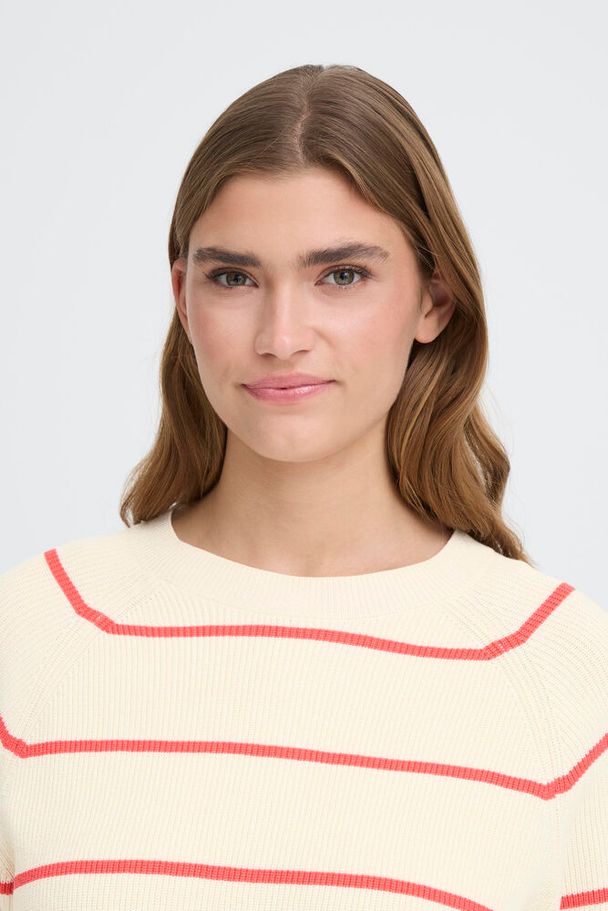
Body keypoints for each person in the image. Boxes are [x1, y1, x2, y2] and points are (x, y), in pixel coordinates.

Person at [1, 63, 606, 910]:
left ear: (434, 298)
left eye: (342, 275)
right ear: (182, 298)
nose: (282, 336)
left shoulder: (566, 672)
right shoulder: (33, 634)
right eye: (234, 277)